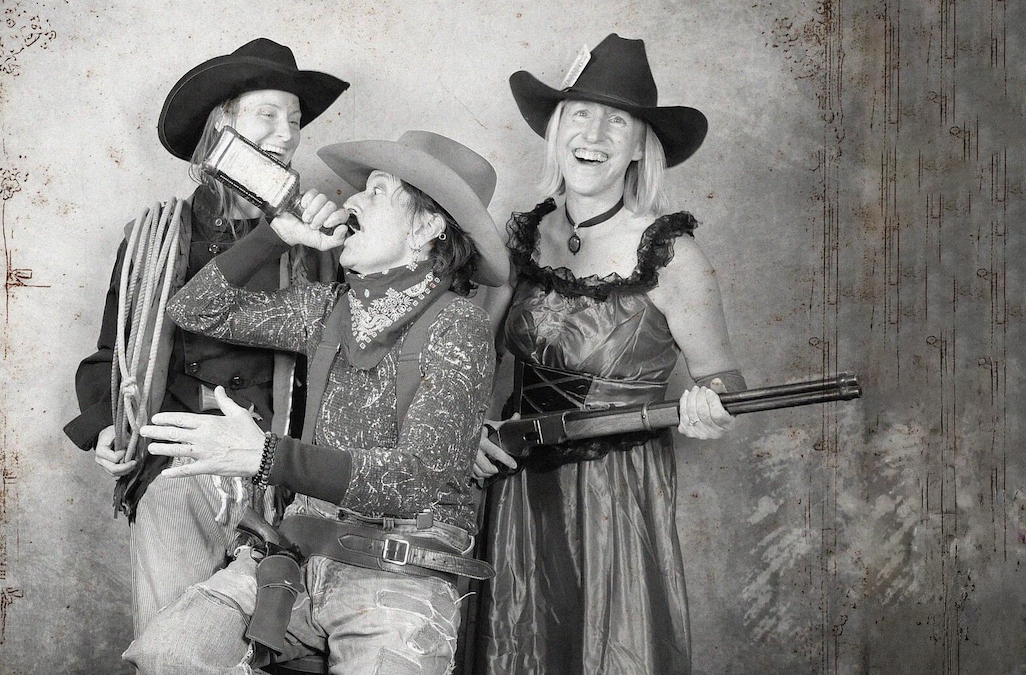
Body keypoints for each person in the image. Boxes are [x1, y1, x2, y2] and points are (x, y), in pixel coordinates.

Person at [121, 130, 510, 674]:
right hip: (295, 562)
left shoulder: (460, 325)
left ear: (426, 228)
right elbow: (194, 309)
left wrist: (267, 456)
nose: (353, 200)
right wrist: (276, 235)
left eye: (377, 191)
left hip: (396, 577)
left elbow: (414, 479)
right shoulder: (326, 308)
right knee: (169, 655)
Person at [470, 35, 746, 674]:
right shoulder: (521, 237)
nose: (593, 134)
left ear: (641, 146)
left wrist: (711, 409)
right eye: (580, 113)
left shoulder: (674, 257)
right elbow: (472, 357)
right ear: (557, 128)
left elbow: (724, 380)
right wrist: (468, 429)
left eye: (617, 120)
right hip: (515, 480)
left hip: (615, 493)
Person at [62, 38, 348, 637]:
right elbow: (113, 353)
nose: (287, 135)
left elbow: (362, 358)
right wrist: (107, 425)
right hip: (176, 471)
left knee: (267, 650)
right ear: (221, 128)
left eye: (295, 120)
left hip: (280, 480)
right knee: (171, 646)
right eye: (267, 115)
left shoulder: (320, 242)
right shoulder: (154, 238)